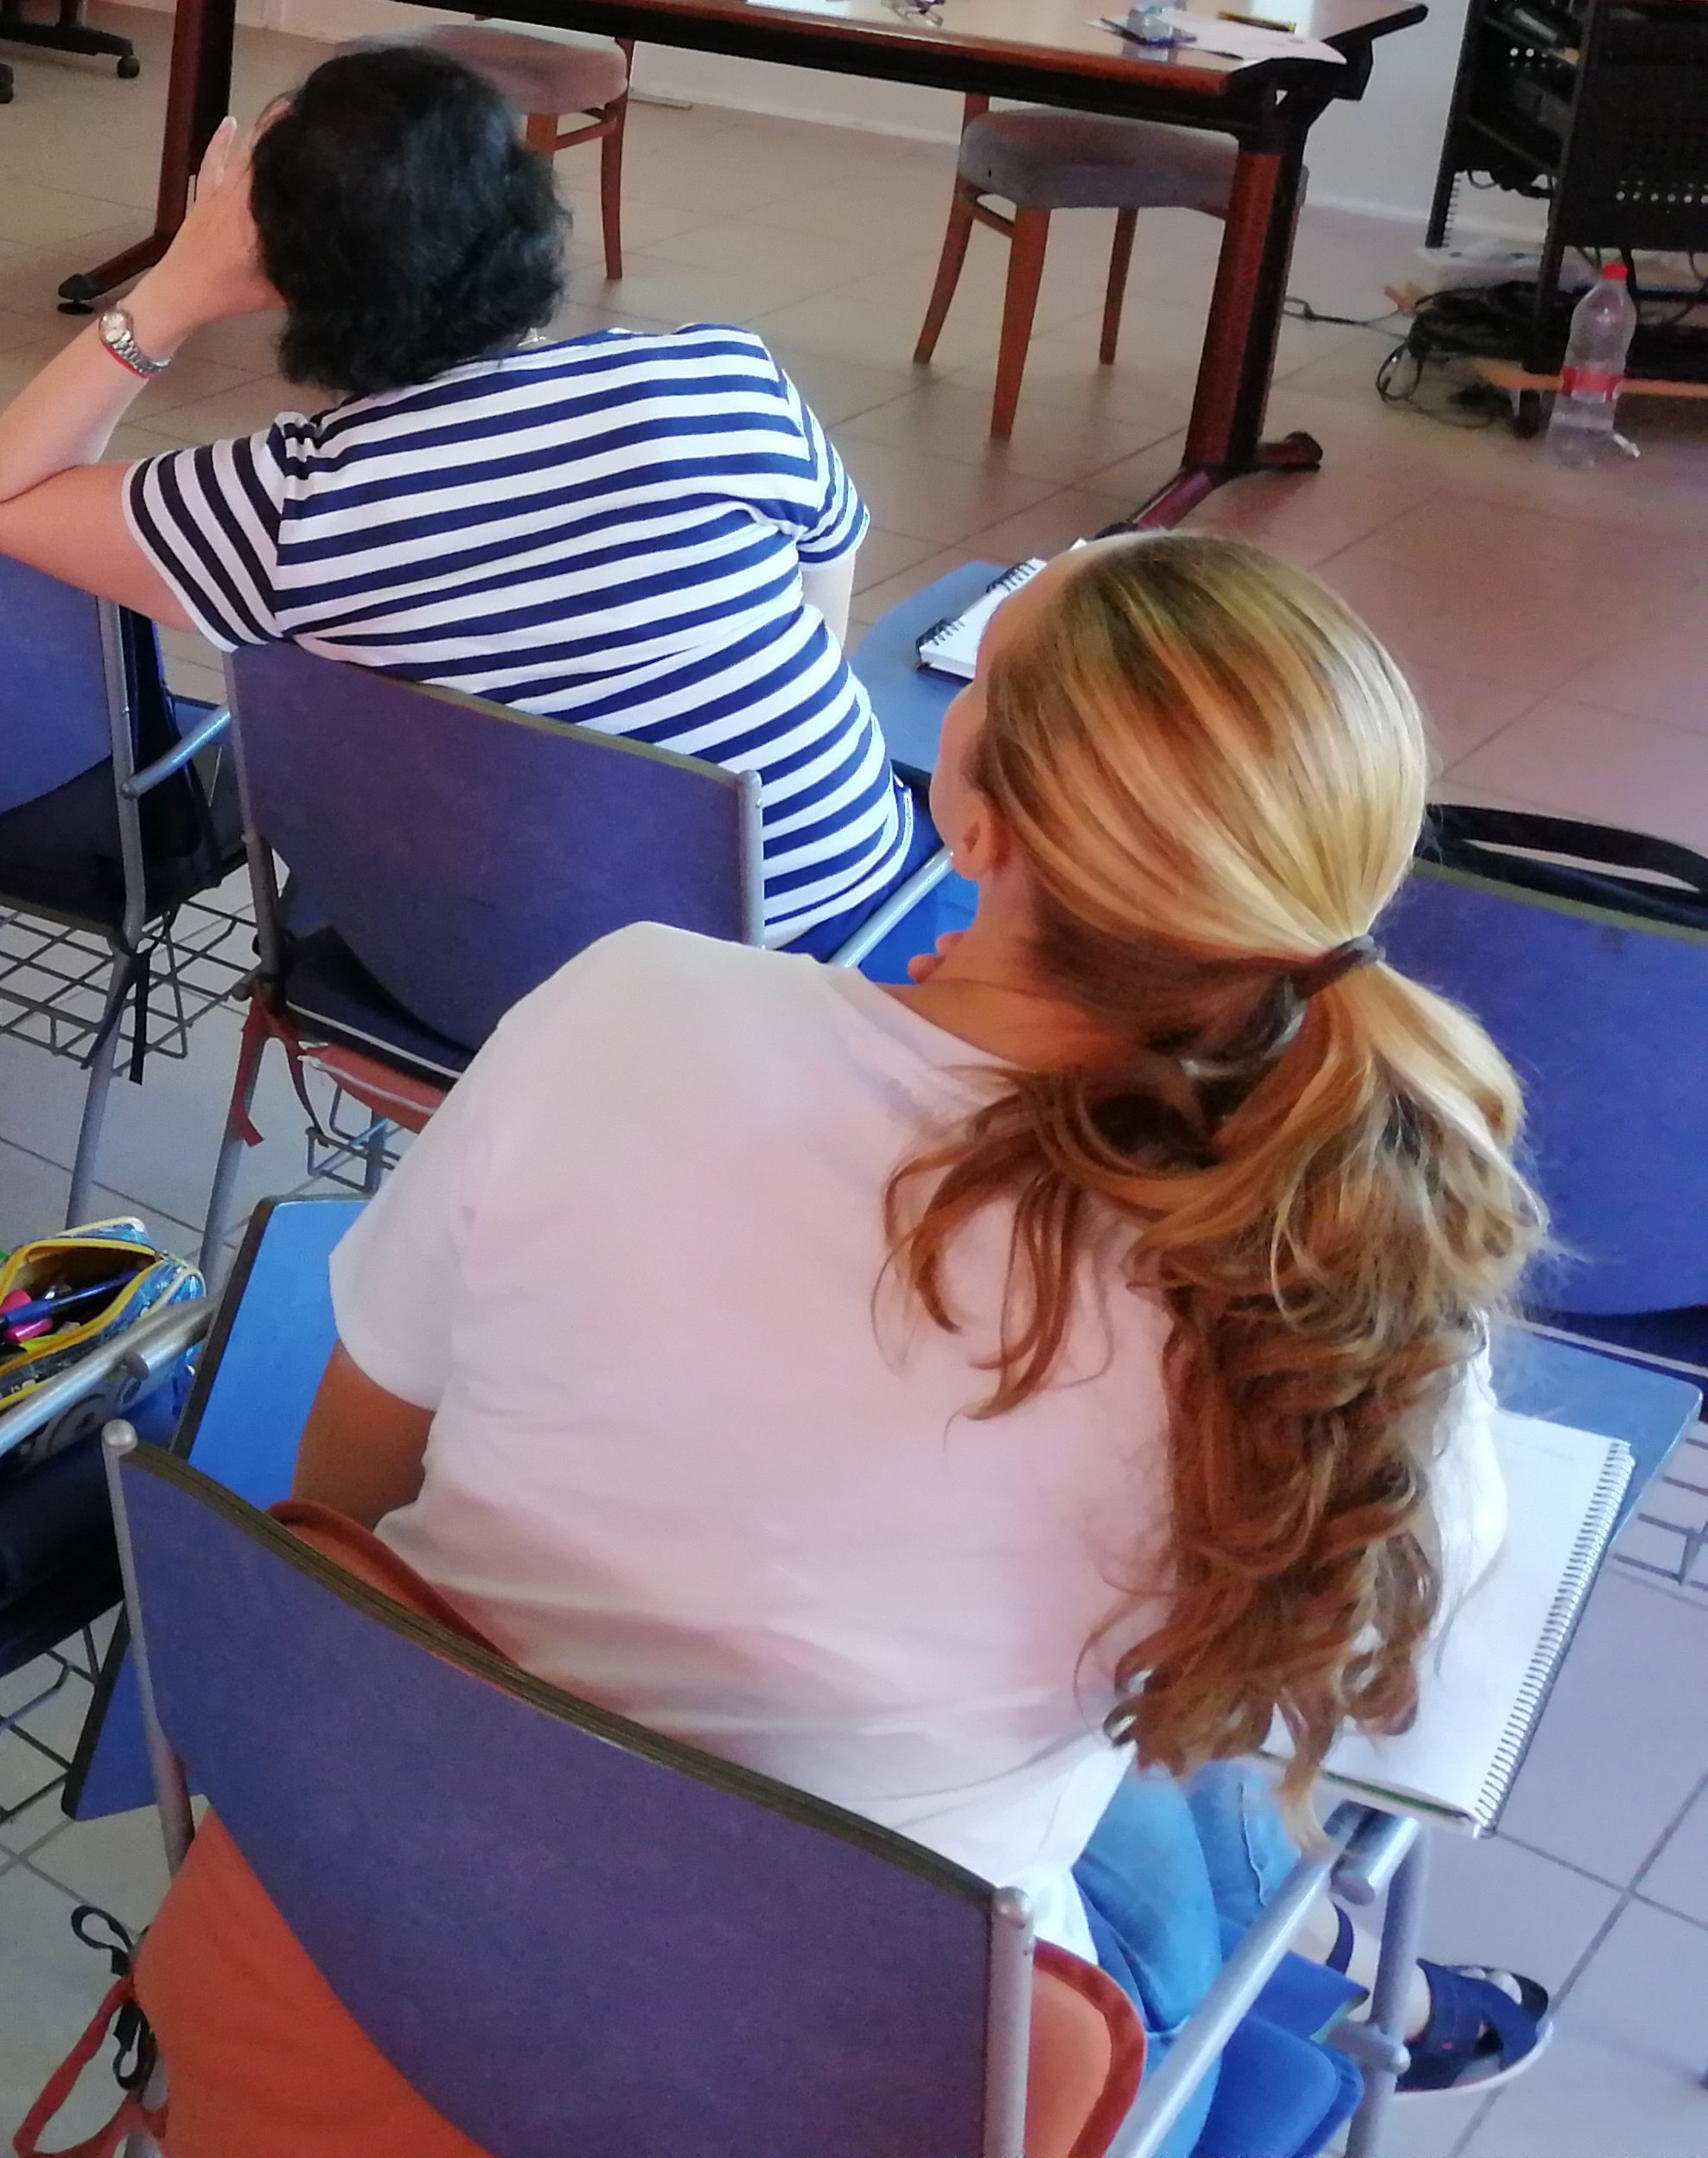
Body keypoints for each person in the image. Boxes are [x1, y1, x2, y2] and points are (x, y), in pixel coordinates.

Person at [276, 532, 1559, 2123]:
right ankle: (1348, 1992)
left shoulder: (625, 1004)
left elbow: (345, 1483)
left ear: (975, 814)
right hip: (872, 2064)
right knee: (1179, 1812)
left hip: (413, 1905)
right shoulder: (1326, 1294)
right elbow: (1363, 1686)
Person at [0, 40, 930, 953]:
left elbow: (0, 491)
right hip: (837, 949)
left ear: (278, 272)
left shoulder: (283, 509)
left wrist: (173, 289)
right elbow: (828, 574)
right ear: (525, 215)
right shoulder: (720, 384)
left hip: (486, 979)